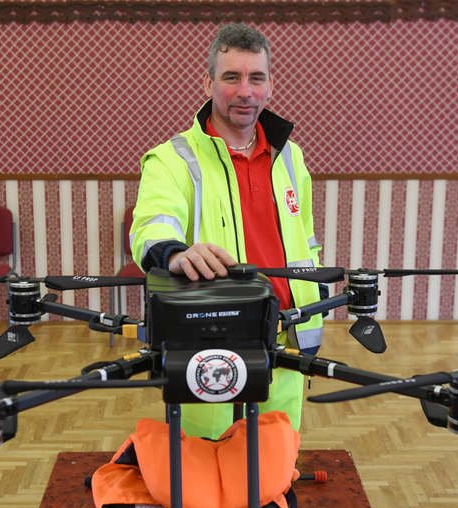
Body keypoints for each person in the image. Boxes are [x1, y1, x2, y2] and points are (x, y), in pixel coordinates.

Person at [130, 23, 323, 439]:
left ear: (271, 85)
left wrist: (314, 299)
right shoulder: (172, 159)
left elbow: (305, 238)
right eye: (231, 77)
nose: (245, 91)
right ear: (209, 83)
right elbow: (151, 225)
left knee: (274, 461)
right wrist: (174, 253)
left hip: (284, 337)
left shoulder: (291, 157)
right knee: (204, 462)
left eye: (256, 78)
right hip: (208, 344)